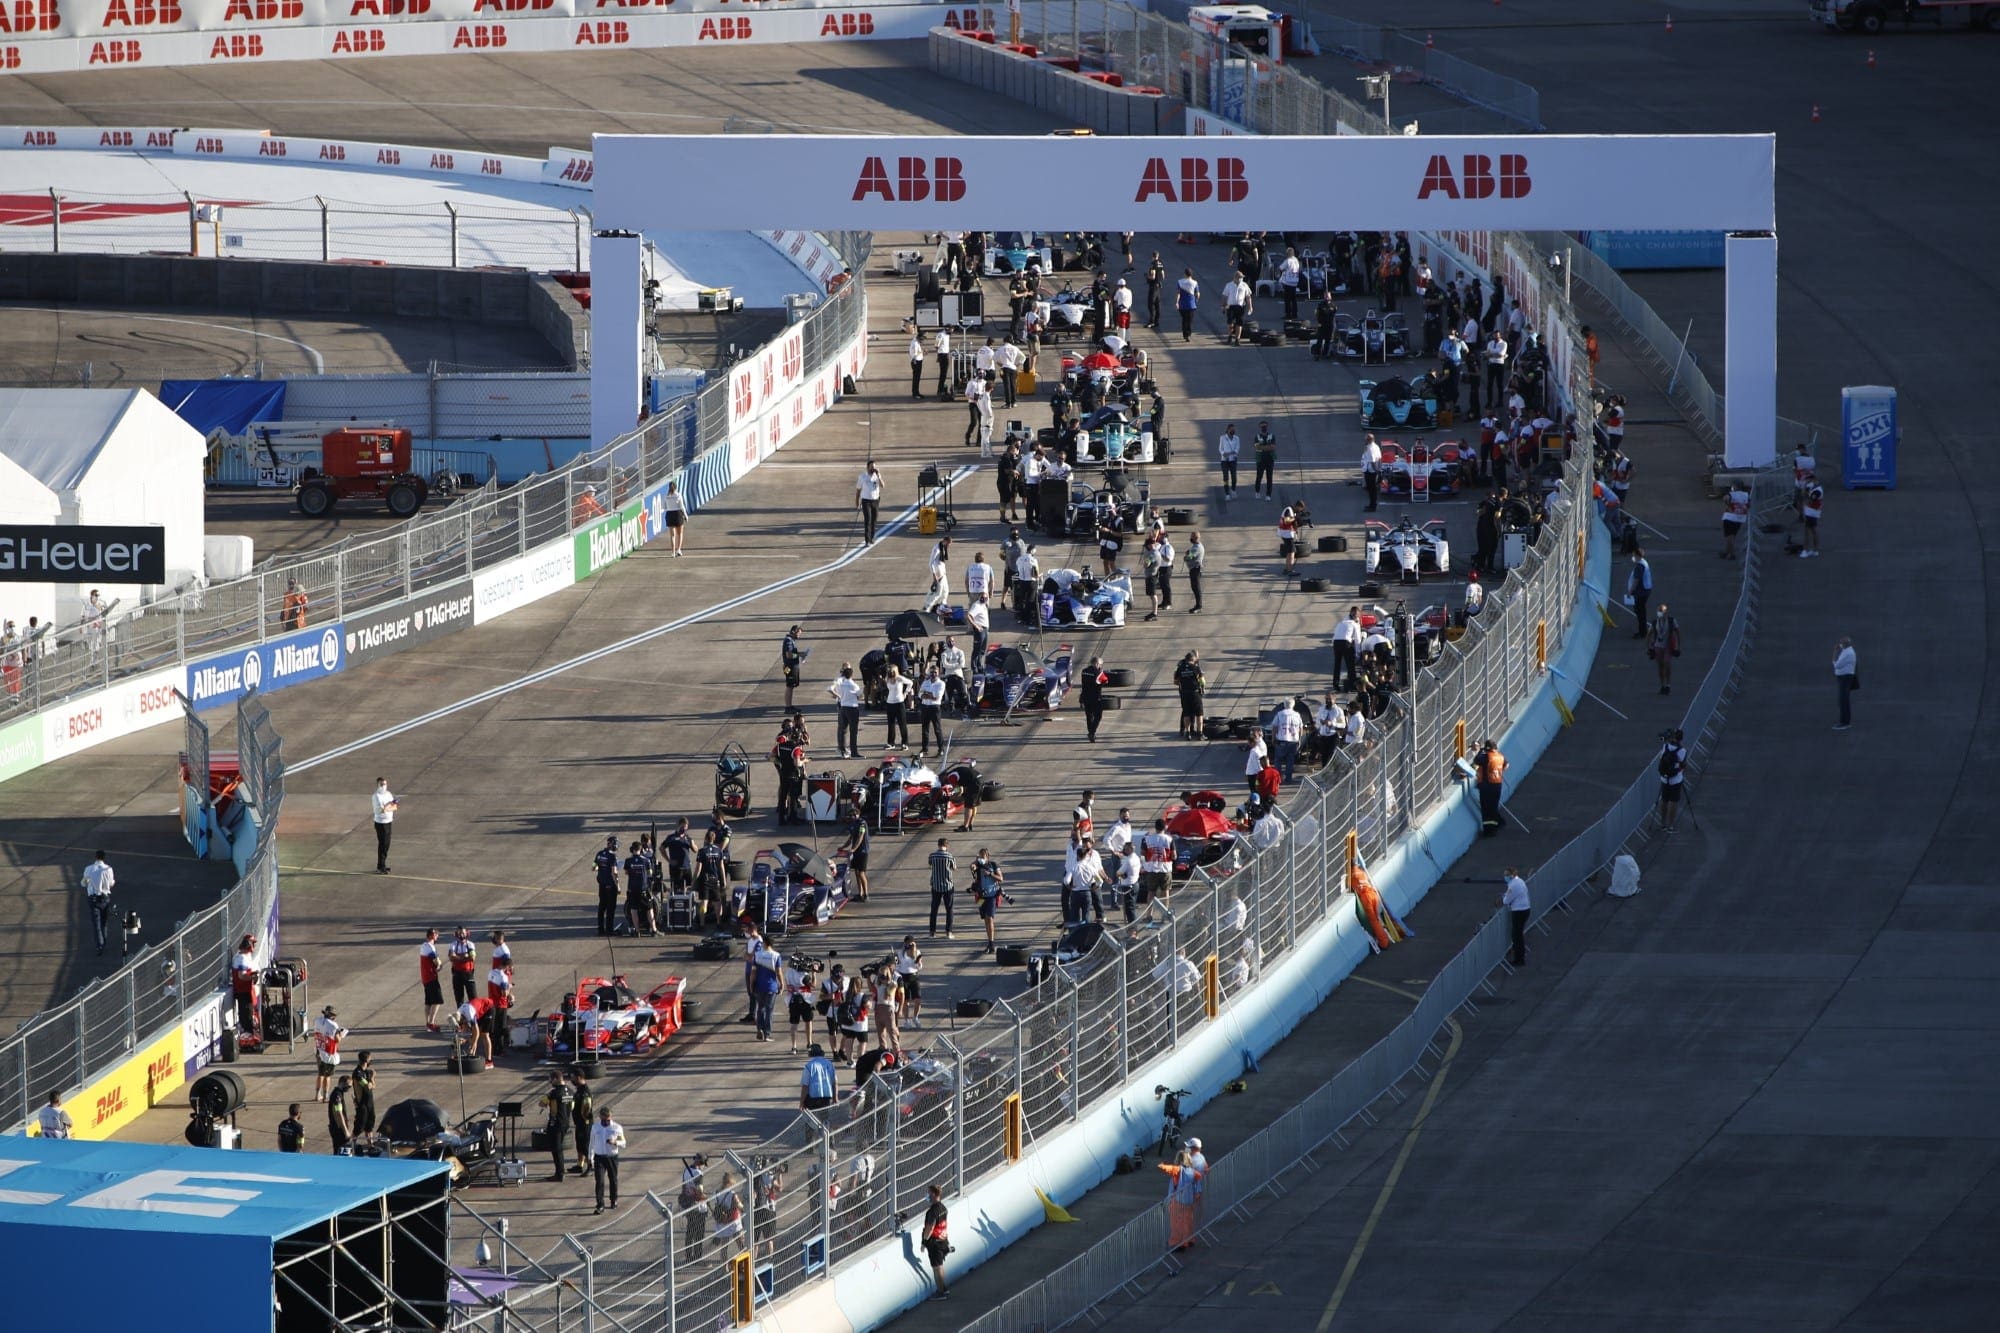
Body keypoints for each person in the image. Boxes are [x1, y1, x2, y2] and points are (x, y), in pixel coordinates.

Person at [1160, 1145, 1206, 1251]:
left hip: (1177, 1201)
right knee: (1188, 1221)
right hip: (1189, 1201)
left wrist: (1161, 1165)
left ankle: (1177, 1243)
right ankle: (1189, 1239)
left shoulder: (1179, 1170)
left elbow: (1169, 1169)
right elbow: (1198, 1186)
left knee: (1176, 1223)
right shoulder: (1193, 1172)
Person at [590, 1106, 626, 1214]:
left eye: (608, 1120)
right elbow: (591, 1143)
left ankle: (613, 1199)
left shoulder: (617, 1128)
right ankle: (600, 1204)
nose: (606, 1122)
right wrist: (590, 1157)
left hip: (612, 1157)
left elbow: (623, 1143)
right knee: (599, 1181)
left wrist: (615, 1142)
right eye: (604, 1120)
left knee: (613, 1179)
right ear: (600, 1117)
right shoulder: (595, 1127)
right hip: (599, 1157)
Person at [748, 935, 782, 1042]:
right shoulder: (776, 956)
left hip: (759, 986)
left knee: (760, 1008)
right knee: (769, 1010)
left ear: (765, 943)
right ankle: (767, 1034)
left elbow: (753, 972)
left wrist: (751, 984)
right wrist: (782, 984)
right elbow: (779, 972)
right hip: (771, 987)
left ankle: (760, 1029)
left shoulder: (757, 955)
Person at [541, 1071, 573, 1182]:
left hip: (555, 1124)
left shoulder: (554, 1093)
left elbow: (542, 1103)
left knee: (556, 1149)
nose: (550, 1082)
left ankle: (559, 1174)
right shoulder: (570, 1091)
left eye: (551, 1079)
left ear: (555, 1079)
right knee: (559, 1148)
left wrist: (548, 1099)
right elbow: (572, 1106)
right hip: (566, 1123)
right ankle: (560, 1172)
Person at [81, 849, 114, 955]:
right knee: (104, 922)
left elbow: (83, 883)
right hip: (105, 897)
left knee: (97, 924)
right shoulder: (108, 869)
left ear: (96, 857)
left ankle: (100, 945)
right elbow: (111, 883)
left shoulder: (89, 869)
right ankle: (104, 942)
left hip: (94, 898)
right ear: (104, 858)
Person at [921, 1183, 951, 1300]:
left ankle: (940, 1292)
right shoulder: (943, 1208)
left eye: (928, 1193)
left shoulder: (932, 1212)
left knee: (936, 1268)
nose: (927, 1195)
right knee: (940, 1266)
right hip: (943, 1241)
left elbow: (929, 1229)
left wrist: (924, 1242)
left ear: (933, 1194)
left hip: (935, 1243)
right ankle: (944, 1288)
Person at [828, 664, 863, 760]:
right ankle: (854, 752)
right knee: (853, 731)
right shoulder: (854, 685)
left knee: (843, 730)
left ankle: (842, 750)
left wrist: (838, 696)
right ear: (851, 675)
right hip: (852, 708)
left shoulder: (840, 685)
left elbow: (832, 690)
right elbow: (860, 696)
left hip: (843, 707)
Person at [1657, 728, 1689, 832]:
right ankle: (1670, 826)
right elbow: (1683, 765)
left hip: (1664, 779)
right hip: (1676, 779)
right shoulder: (1682, 751)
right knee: (1673, 802)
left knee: (1664, 800)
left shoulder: (1665, 746)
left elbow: (1661, 758)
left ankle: (1662, 824)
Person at [313, 1005, 347, 1102]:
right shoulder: (333, 1025)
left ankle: (317, 1095)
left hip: (319, 1050)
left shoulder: (317, 1021)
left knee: (320, 1074)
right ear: (333, 1016)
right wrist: (341, 1035)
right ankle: (325, 1096)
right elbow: (337, 1039)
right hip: (328, 1053)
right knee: (327, 1076)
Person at [836, 806, 871, 902]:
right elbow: (850, 838)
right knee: (856, 872)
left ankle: (866, 894)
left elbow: (860, 837)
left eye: (854, 815)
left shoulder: (862, 824)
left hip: (863, 851)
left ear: (858, 815)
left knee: (861, 873)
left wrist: (853, 849)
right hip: (856, 852)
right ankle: (860, 894)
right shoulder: (853, 824)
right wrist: (843, 847)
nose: (852, 817)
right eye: (850, 815)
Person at [678, 1155, 708, 1261]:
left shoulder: (686, 1171)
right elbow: (700, 1193)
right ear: (701, 1163)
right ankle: (697, 1257)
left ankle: (688, 1256)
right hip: (699, 1208)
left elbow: (683, 1187)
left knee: (690, 1232)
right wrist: (707, 1197)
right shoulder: (698, 1174)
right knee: (699, 1234)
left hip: (688, 1205)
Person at [1647, 604, 1682, 695]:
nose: (1659, 613)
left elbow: (1678, 633)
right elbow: (1649, 634)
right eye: (1658, 611)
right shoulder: (1655, 622)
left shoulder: (1671, 621)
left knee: (1667, 664)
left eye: (1661, 611)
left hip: (1668, 646)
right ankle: (1662, 685)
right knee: (1660, 666)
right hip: (1658, 646)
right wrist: (1649, 648)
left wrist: (1678, 646)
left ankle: (1668, 685)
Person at [1475, 739, 1506, 837]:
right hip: (1497, 785)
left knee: (1486, 809)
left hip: (1487, 786)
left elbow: (1477, 760)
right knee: (1493, 807)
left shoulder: (1487, 757)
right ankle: (1496, 825)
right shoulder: (1500, 756)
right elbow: (1506, 765)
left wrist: (1480, 751)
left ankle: (1489, 831)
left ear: (1487, 748)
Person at [1500, 867, 1531, 967]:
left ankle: (1519, 959)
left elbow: (1506, 901)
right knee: (1519, 934)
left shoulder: (1513, 885)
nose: (1505, 877)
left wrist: (1504, 897)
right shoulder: (1520, 881)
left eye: (1506, 875)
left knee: (1516, 936)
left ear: (1511, 875)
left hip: (1519, 912)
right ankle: (1519, 956)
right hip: (1526, 909)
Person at [927, 837, 956, 939]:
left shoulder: (932, 856)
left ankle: (932, 932)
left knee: (934, 909)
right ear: (947, 845)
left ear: (938, 845)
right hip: (948, 885)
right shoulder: (950, 856)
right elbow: (954, 868)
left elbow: (930, 865)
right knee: (949, 909)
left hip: (936, 885)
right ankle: (949, 932)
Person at [591, 836, 620, 937]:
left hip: (602, 885)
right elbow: (614, 872)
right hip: (610, 885)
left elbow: (593, 867)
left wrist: (601, 868)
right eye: (615, 843)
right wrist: (618, 886)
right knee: (610, 908)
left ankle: (600, 929)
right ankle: (609, 930)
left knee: (602, 907)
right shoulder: (612, 856)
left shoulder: (599, 854)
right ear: (611, 844)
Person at [1270, 697, 1303, 783]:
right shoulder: (1297, 715)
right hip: (1293, 741)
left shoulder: (1279, 714)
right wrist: (1299, 739)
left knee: (1278, 761)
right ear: (1293, 705)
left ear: (1284, 705)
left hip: (1281, 740)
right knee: (1290, 761)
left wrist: (1273, 738)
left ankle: (1278, 779)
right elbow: (1300, 728)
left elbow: (1274, 727)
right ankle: (1288, 778)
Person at [456, 998, 495, 1068]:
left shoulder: (469, 1014)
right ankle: (472, 1057)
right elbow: (470, 1032)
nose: (461, 1028)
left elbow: (476, 1033)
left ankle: (489, 1062)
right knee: (474, 1034)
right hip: (478, 1009)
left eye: (461, 1026)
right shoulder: (458, 1013)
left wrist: (472, 1046)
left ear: (463, 1020)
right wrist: (465, 1039)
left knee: (484, 1034)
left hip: (488, 1008)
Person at [916, 665, 946, 756]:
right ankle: (924, 749)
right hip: (925, 707)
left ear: (938, 673)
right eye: (931, 672)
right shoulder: (926, 682)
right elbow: (920, 694)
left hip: (934, 708)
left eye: (935, 672)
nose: (933, 674)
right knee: (925, 729)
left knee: (937, 729)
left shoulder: (941, 684)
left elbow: (937, 697)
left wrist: (926, 694)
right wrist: (929, 695)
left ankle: (941, 749)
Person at [569, 1068, 595, 1176]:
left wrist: (585, 1118)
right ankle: (580, 1165)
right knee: (579, 1145)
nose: (571, 1080)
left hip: (585, 1123)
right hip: (579, 1123)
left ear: (579, 1077)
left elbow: (587, 1107)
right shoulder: (579, 1090)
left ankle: (590, 1166)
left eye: (573, 1078)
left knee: (585, 1146)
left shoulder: (585, 1092)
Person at [1079, 655, 1109, 742]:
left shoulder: (1084, 671)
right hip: (1095, 697)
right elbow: (1104, 681)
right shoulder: (1098, 673)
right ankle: (1092, 733)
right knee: (1098, 716)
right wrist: (1102, 675)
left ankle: (1090, 733)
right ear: (1096, 663)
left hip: (1085, 696)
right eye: (1100, 664)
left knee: (1089, 716)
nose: (1101, 666)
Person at [371, 776, 398, 874]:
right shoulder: (376, 796)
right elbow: (380, 810)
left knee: (387, 844)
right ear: (378, 785)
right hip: (381, 824)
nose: (384, 786)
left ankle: (383, 865)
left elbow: (395, 807)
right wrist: (388, 807)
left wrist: (387, 808)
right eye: (382, 784)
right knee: (383, 845)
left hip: (388, 822)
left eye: (385, 784)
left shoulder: (388, 794)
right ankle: (380, 867)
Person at [800, 1044, 839, 1111]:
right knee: (824, 1115)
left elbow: (805, 1086)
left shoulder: (808, 1066)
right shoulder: (829, 1064)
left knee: (813, 1116)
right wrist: (835, 1098)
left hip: (812, 1097)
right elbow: (834, 1082)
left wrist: (801, 1102)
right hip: (826, 1096)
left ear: (810, 1054)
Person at [882, 664, 911, 750]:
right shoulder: (887, 678)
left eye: (892, 671)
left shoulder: (900, 678)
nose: (891, 672)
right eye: (889, 671)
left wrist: (906, 693)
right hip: (890, 702)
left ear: (896, 671)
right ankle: (891, 743)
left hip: (899, 703)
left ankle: (905, 743)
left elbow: (910, 683)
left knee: (902, 723)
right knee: (891, 724)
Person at [1333, 607, 1362, 691]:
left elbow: (1335, 635)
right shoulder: (1354, 624)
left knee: (1337, 665)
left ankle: (1335, 684)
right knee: (1350, 666)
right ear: (1357, 616)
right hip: (1346, 643)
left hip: (1336, 643)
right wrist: (1358, 653)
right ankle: (1352, 685)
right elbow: (1357, 640)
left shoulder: (1340, 623)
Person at [1626, 548, 1653, 638]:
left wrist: (1630, 591)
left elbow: (1636, 581)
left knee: (1639, 611)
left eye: (1634, 555)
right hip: (1646, 590)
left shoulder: (1639, 566)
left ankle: (1642, 632)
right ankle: (1643, 631)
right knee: (1641, 611)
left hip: (1641, 592)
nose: (1633, 557)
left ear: (1637, 555)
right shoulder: (1644, 562)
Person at [855, 459, 884, 545]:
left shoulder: (877, 476)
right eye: (871, 467)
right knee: (868, 520)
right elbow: (858, 490)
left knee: (874, 520)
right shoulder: (862, 477)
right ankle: (867, 540)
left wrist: (879, 476)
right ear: (867, 468)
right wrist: (857, 502)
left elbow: (883, 485)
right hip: (866, 501)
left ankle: (872, 538)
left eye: (874, 467)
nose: (873, 469)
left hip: (875, 501)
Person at [1833, 636, 1858, 731]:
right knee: (1843, 700)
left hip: (1845, 678)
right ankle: (1844, 721)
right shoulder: (1847, 651)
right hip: (1845, 678)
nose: (1840, 645)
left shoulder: (1847, 653)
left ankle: (1844, 722)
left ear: (1845, 644)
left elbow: (1837, 665)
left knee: (1843, 700)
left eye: (1841, 643)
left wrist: (1834, 654)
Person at [780, 624, 807, 710]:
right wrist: (799, 655)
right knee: (789, 685)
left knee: (791, 686)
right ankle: (788, 707)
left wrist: (800, 654)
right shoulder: (788, 641)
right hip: (789, 667)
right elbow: (789, 655)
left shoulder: (790, 640)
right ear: (793, 632)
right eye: (798, 633)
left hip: (789, 666)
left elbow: (792, 654)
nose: (799, 635)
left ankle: (789, 706)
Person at [1721, 480, 1750, 559]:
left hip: (1729, 517)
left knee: (1729, 536)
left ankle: (1731, 553)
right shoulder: (1746, 495)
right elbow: (1748, 505)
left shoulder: (1731, 494)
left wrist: (1728, 505)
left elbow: (1725, 499)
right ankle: (1727, 552)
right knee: (1733, 535)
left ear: (1734, 486)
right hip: (1740, 518)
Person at [351, 1050, 377, 1135]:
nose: (371, 1061)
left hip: (369, 1102)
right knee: (359, 1126)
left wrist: (372, 1082)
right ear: (366, 1060)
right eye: (370, 1059)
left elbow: (373, 1086)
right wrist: (372, 1078)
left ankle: (370, 1142)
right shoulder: (358, 1073)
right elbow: (367, 1086)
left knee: (369, 1126)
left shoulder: (367, 1072)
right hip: (362, 1103)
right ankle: (352, 1141)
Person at [1252, 421, 1278, 499]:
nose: (1264, 428)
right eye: (1262, 427)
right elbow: (1257, 447)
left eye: (1265, 426)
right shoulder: (1257, 436)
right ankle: (1257, 492)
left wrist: (1262, 447)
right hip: (1260, 459)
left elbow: (1273, 447)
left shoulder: (1271, 436)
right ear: (1260, 427)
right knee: (1259, 476)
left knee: (1269, 477)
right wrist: (1267, 447)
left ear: (1267, 427)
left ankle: (1268, 495)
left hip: (1270, 459)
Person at [327, 1075, 352, 1154]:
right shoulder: (337, 1096)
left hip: (337, 1127)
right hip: (338, 1129)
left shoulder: (338, 1093)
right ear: (341, 1083)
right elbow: (339, 1114)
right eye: (348, 1086)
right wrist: (345, 1131)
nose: (348, 1088)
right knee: (341, 1150)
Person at [1800, 477, 1824, 557]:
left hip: (1811, 513)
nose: (1808, 482)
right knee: (1813, 531)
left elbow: (1808, 500)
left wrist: (1804, 489)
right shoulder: (1813, 489)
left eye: (1809, 480)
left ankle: (1805, 550)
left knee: (1807, 532)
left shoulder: (1817, 491)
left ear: (1815, 480)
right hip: (1811, 512)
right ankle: (1815, 550)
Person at [1217, 424, 1241, 499]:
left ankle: (1233, 490)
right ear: (1228, 430)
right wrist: (1223, 453)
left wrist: (1233, 453)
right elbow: (1220, 448)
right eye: (1232, 429)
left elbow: (1237, 448)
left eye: (1234, 429)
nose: (1233, 431)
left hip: (1233, 460)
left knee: (1234, 477)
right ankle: (1227, 494)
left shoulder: (1237, 438)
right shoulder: (1222, 438)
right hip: (1224, 460)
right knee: (1225, 477)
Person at [1176, 268, 1199, 342]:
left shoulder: (1179, 282)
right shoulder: (1195, 283)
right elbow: (1197, 293)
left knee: (1184, 319)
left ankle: (1185, 334)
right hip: (1191, 305)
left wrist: (1177, 302)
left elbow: (1178, 293)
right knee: (1189, 320)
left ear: (1185, 274)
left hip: (1182, 305)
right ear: (1191, 274)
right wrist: (1197, 299)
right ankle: (1188, 334)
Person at [1184, 531, 1205, 613]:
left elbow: (1190, 557)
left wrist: (1186, 556)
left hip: (1196, 569)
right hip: (1193, 569)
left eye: (1192, 537)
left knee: (1196, 588)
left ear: (1195, 538)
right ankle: (1197, 605)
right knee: (1194, 587)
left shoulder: (1197, 548)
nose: (1190, 539)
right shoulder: (1196, 546)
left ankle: (1199, 606)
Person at [1361, 433, 1383, 512]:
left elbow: (1372, 461)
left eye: (1366, 439)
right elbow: (1380, 459)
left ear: (1369, 440)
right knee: (1373, 489)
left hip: (1370, 471)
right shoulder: (1376, 446)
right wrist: (1379, 469)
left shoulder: (1369, 448)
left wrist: (1376, 471)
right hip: (1373, 471)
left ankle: (1372, 506)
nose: (1365, 441)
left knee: (1371, 489)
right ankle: (1372, 504)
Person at [1145, 252, 1166, 328]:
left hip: (1153, 286)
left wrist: (1147, 276)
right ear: (1158, 256)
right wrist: (1159, 280)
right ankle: (1157, 321)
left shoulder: (1153, 264)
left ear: (1153, 257)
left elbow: (1153, 276)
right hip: (1158, 286)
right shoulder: (1160, 264)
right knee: (1157, 305)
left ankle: (1152, 321)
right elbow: (1163, 276)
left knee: (1151, 304)